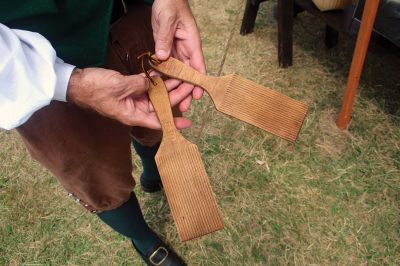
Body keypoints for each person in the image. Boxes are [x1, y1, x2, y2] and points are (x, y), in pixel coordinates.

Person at [0, 0, 206, 265]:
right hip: (39, 73)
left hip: (141, 17)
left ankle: (153, 175)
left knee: (161, 124)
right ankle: (143, 239)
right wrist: (67, 83)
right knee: (98, 177)